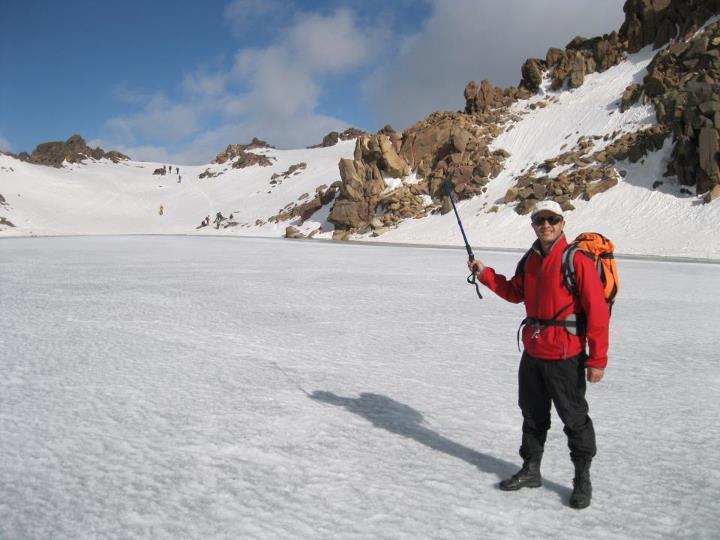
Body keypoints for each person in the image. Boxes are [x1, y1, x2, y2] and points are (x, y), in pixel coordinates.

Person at [467, 200, 609, 510]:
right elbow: (516, 292)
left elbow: (598, 312)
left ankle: (582, 479)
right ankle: (531, 470)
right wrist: (486, 274)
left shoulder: (577, 260)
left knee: (574, 419)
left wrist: (597, 360)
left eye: (552, 219)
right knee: (532, 415)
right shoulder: (530, 259)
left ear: (562, 223)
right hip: (533, 351)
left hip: (566, 354)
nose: (546, 225)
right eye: (540, 220)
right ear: (533, 224)